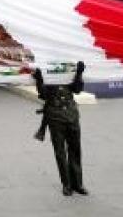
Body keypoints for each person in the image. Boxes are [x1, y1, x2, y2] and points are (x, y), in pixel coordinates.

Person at [33, 62, 87, 196]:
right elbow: (44, 95)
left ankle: (78, 184)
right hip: (55, 117)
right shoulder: (47, 69)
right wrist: (39, 80)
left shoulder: (68, 67)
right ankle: (67, 184)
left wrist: (79, 74)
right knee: (60, 153)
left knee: (75, 150)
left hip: (71, 115)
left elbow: (77, 89)